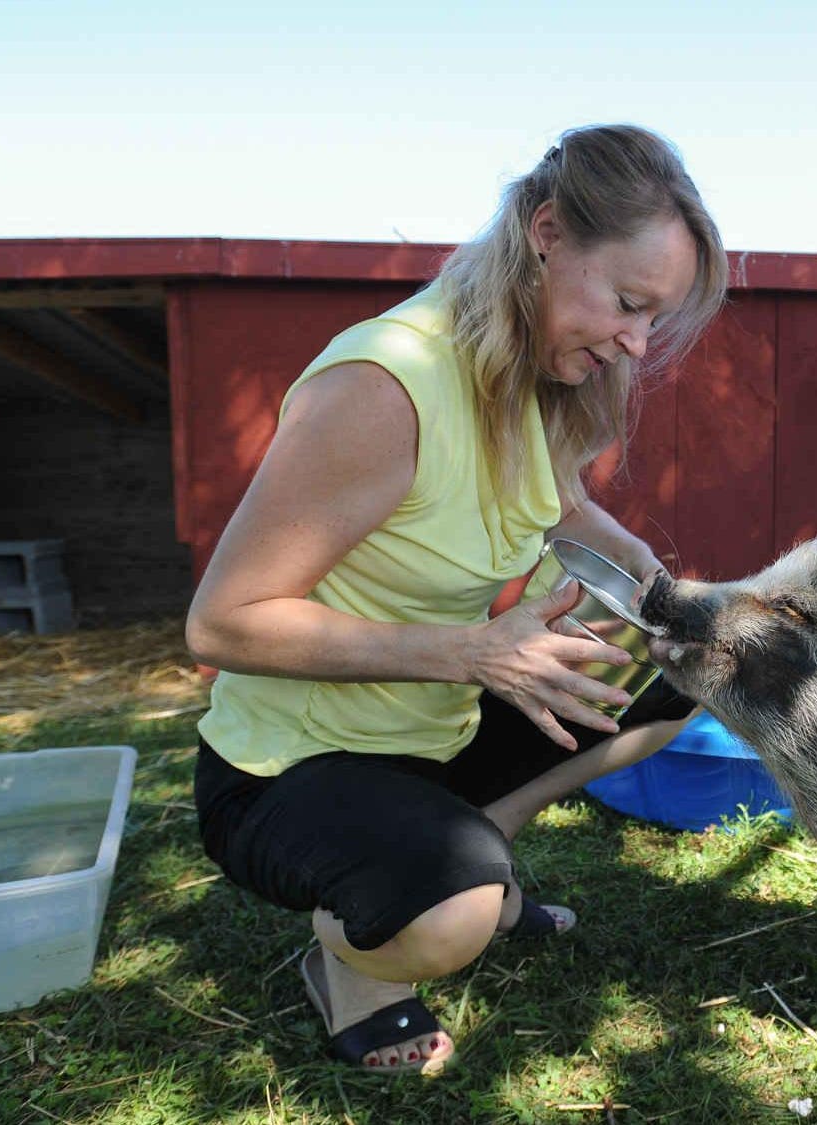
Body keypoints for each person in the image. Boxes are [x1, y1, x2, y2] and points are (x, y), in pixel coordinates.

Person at [185, 124, 729, 1073]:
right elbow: (222, 622)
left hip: (433, 735)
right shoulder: (384, 382)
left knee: (677, 670)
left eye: (655, 319)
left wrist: (653, 581)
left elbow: (559, 503)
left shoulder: (524, 371)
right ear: (548, 234)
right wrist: (473, 652)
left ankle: (483, 847)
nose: (638, 344)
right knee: (450, 914)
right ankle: (357, 959)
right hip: (289, 768)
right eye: (629, 304)